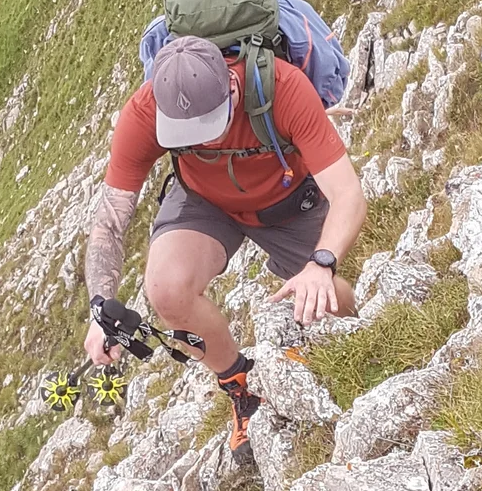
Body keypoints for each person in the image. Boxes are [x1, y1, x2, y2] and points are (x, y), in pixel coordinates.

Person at [83, 33, 366, 450]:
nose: (204, 141)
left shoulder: (282, 88)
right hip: (205, 201)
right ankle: (240, 388)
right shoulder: (145, 112)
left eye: (211, 123)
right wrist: (99, 307)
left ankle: (354, 334)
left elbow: (348, 194)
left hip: (287, 200)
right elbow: (108, 223)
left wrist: (321, 263)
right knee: (166, 289)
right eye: (188, 132)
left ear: (232, 85)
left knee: (332, 303)